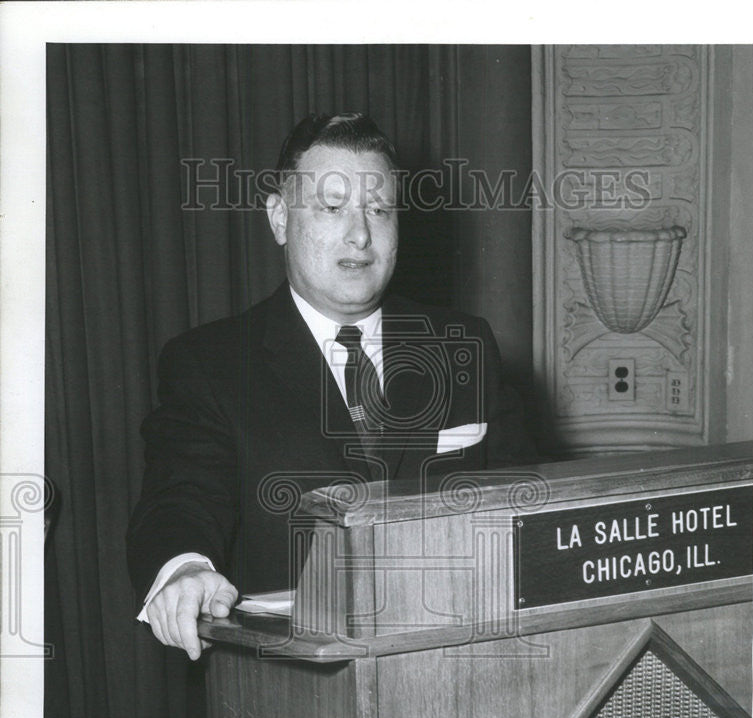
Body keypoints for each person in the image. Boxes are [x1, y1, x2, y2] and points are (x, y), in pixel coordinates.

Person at [127, 112, 538, 660]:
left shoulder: (464, 344)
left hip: (458, 670)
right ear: (279, 217)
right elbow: (180, 498)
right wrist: (186, 569)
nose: (361, 235)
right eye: (332, 207)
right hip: (294, 692)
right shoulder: (210, 364)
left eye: (379, 209)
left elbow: (532, 500)